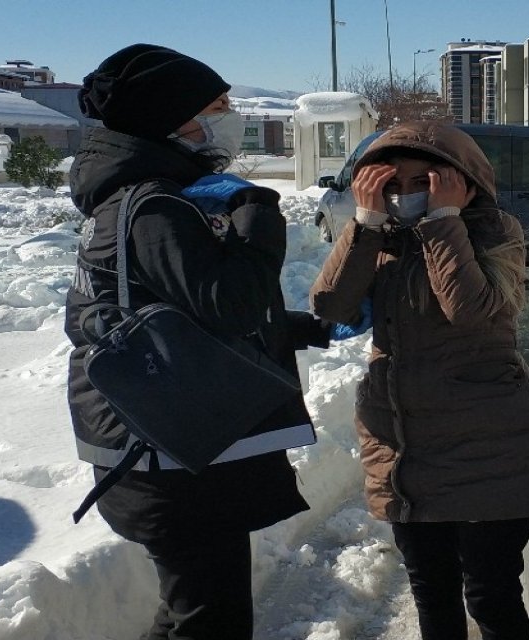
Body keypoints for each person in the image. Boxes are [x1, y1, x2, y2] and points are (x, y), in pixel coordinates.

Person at [64, 44, 367, 640]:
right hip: (168, 457)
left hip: (164, 444)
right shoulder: (154, 205)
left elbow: (180, 314)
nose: (233, 115)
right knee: (210, 620)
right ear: (173, 120)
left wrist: (305, 328)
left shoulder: (144, 196)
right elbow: (230, 305)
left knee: (191, 611)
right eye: (218, 105)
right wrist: (257, 212)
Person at [310, 121, 529, 640]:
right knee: (432, 591)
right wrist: (365, 222)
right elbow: (330, 306)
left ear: (463, 181)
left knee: (491, 595)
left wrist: (443, 219)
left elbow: (471, 312)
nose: (406, 194)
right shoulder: (377, 238)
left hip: (488, 451)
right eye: (392, 183)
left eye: (424, 182)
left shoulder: (496, 233)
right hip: (405, 448)